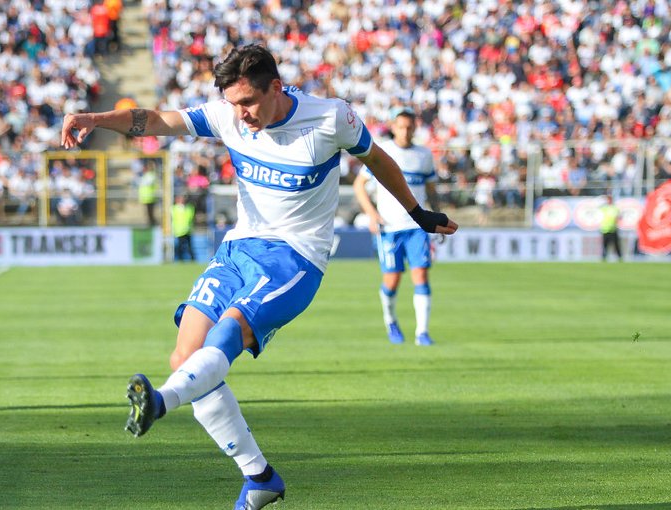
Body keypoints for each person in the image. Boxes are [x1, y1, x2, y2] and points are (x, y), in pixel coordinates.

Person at [61, 45, 457, 509]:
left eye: (248, 102)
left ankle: (162, 403)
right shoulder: (228, 115)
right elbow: (157, 120)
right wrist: (94, 118)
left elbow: (378, 160)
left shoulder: (331, 118)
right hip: (237, 248)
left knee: (224, 337)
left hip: (296, 258)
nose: (241, 114)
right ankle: (260, 477)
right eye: (232, 103)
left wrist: (418, 213)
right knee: (185, 355)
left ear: (275, 87)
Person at [353, 106, 444, 346]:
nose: (405, 131)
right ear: (394, 127)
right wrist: (372, 214)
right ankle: (390, 321)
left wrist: (436, 217)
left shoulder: (424, 155)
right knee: (392, 280)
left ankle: (422, 332)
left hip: (416, 228)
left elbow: (431, 190)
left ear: (415, 128)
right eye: (401, 127)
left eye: (410, 127)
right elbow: (359, 186)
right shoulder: (383, 151)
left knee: (421, 275)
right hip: (389, 228)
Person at [172, 194, 196, 262]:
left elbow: (191, 217)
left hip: (188, 230)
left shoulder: (189, 208)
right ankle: (180, 259)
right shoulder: (174, 208)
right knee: (180, 246)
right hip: (179, 231)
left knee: (189, 246)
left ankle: (192, 259)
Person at [600, 194, 622, 261]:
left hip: (613, 229)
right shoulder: (604, 208)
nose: (609, 200)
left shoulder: (614, 208)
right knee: (605, 245)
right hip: (605, 229)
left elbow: (618, 217)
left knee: (616, 244)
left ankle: (619, 256)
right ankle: (604, 257)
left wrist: (617, 221)